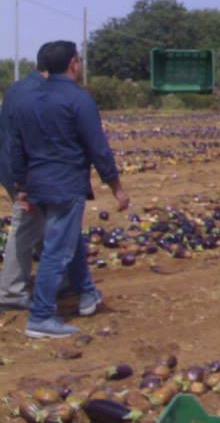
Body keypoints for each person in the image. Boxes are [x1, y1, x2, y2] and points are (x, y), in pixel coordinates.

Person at [9, 40, 130, 338]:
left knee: (69, 239)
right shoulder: (79, 99)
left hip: (37, 182)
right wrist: (116, 186)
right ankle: (41, 316)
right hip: (65, 184)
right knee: (56, 251)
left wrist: (21, 186)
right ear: (74, 64)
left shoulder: (27, 99)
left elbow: (15, 146)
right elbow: (97, 147)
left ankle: (87, 294)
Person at [0, 44, 52, 310]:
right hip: (25, 172)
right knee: (25, 226)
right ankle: (10, 292)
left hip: (9, 168)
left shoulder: (18, 87)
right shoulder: (38, 94)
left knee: (40, 224)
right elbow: (31, 140)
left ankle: (56, 279)